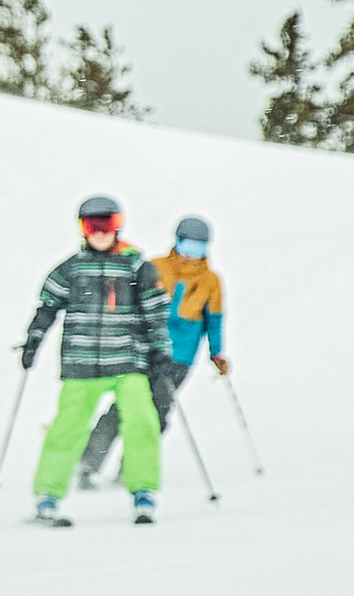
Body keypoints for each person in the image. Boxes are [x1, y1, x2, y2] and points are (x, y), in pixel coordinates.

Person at [19, 195, 173, 526]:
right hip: (81, 364)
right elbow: (46, 305)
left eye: (108, 225)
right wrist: (34, 339)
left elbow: (156, 313)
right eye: (93, 226)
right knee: (67, 427)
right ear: (82, 229)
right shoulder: (72, 268)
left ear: (119, 227)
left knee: (142, 422)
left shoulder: (137, 268)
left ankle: (143, 491)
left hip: (127, 362)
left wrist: (161, 351)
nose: (100, 233)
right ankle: (48, 495)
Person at [76, 215, 226, 488]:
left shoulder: (211, 281)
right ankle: (88, 464)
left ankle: (132, 467)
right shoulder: (155, 267)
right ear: (176, 242)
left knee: (156, 411)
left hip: (179, 358)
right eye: (186, 245)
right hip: (143, 351)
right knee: (121, 408)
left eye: (198, 248)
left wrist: (217, 353)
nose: (191, 254)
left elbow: (214, 321)